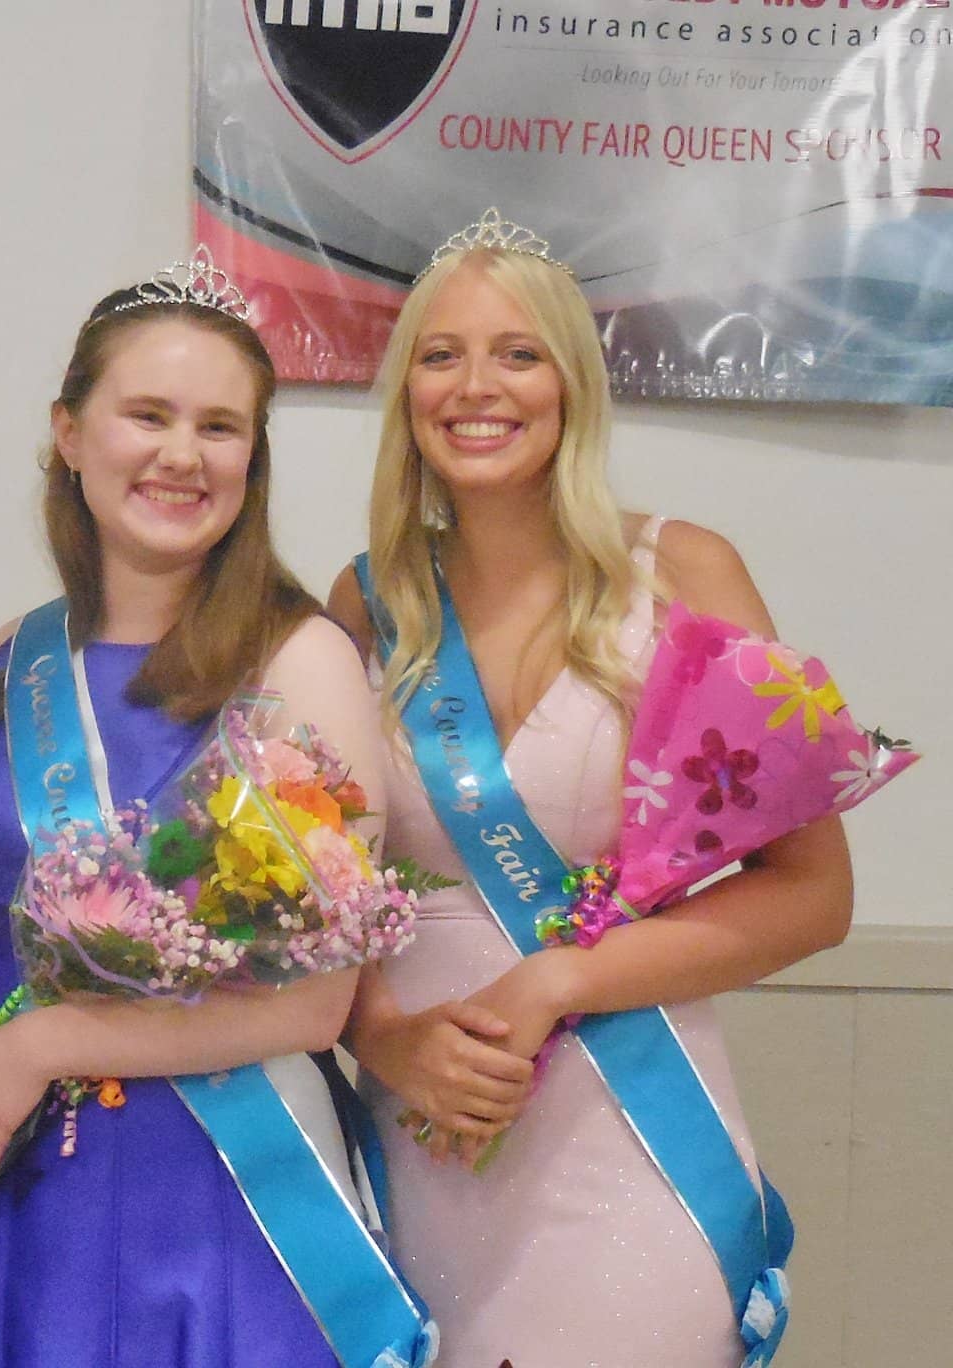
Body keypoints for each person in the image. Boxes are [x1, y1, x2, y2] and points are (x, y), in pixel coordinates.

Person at [330, 210, 852, 1367]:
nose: (477, 386)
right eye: (439, 353)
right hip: (424, 1135)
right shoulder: (365, 606)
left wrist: (563, 972)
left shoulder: (683, 572)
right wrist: (383, 1038)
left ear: (572, 382)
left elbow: (812, 896)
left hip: (625, 1128)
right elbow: (321, 899)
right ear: (405, 386)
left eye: (518, 353)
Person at [0, 253, 407, 1368]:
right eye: (147, 414)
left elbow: (315, 1002)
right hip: (9, 1168)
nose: (183, 454)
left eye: (220, 428)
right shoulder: (8, 660)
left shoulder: (299, 660)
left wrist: (51, 1040)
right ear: (69, 432)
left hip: (220, 1180)